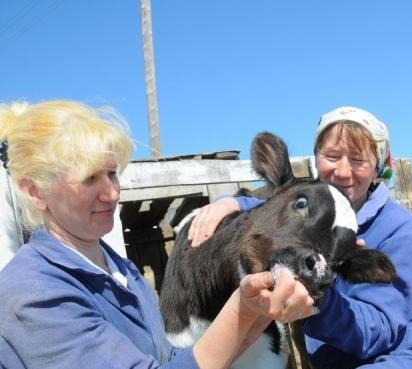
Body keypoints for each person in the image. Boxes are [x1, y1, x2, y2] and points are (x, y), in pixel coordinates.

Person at [0, 100, 315, 369]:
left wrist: (258, 311)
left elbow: (170, 359)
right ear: (34, 191)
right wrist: (242, 309)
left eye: (111, 173)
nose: (111, 194)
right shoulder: (36, 293)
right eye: (88, 178)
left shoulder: (121, 271)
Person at [187, 106, 412, 369]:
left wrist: (316, 293)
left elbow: (379, 331)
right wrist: (233, 203)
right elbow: (276, 206)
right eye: (332, 156)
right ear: (316, 160)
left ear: (378, 168)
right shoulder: (309, 212)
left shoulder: (399, 229)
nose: (343, 171)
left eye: (359, 160)